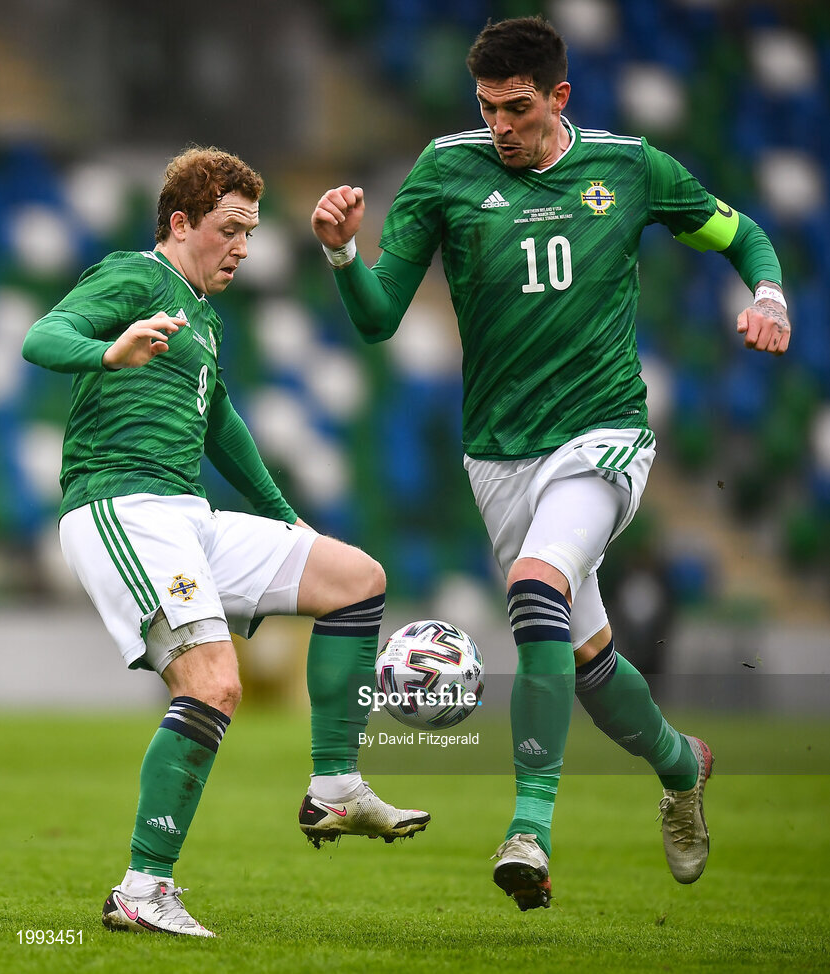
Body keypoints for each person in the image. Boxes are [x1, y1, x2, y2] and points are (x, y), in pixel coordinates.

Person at [311, 16, 790, 912]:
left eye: (517, 108)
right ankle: (681, 765)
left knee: (535, 587)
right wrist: (341, 251)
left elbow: (739, 234)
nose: (499, 125)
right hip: (498, 454)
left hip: (604, 433)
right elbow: (376, 320)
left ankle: (527, 828)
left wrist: (767, 295)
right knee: (588, 664)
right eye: (487, 107)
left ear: (558, 97)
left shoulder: (629, 168)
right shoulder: (444, 171)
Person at [22, 146, 429, 938]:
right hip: (123, 506)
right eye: (229, 228)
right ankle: (142, 890)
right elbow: (43, 335)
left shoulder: (202, 317)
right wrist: (108, 350)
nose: (243, 246)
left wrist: (283, 514)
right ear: (180, 223)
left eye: (249, 232)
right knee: (212, 685)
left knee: (356, 578)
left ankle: (335, 787)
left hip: (188, 513)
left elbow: (221, 423)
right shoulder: (135, 277)